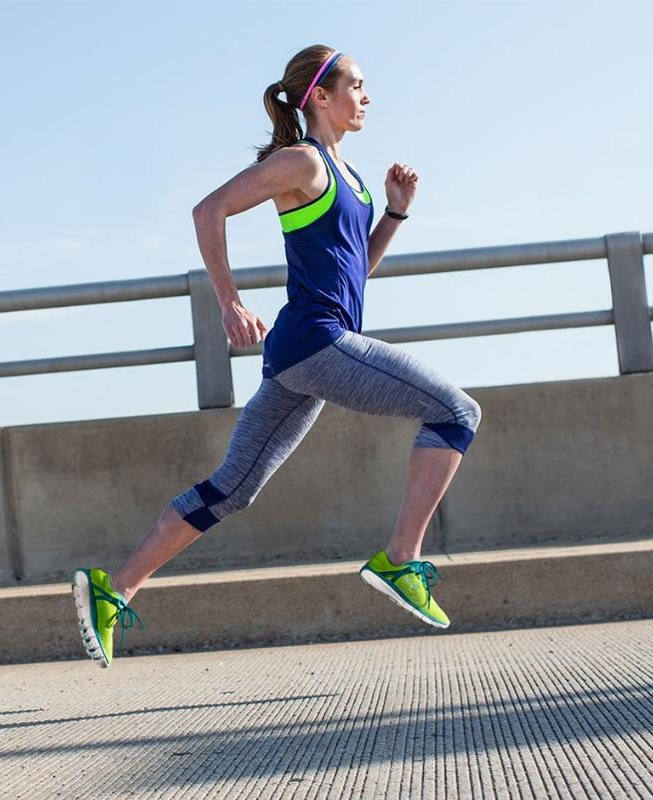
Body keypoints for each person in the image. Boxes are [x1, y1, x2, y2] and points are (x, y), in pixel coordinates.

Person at [71, 45, 482, 668]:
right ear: (320, 95)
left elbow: (354, 274)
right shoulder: (301, 162)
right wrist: (230, 302)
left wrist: (394, 213)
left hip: (309, 351)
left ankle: (113, 588)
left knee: (232, 489)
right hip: (317, 344)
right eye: (358, 85)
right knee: (456, 413)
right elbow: (208, 210)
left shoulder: (351, 177)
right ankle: (400, 561)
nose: (367, 96)